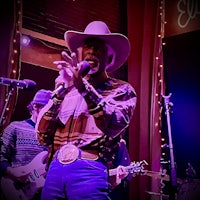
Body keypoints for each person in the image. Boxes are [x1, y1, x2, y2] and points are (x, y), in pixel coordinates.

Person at [36, 20, 137, 200]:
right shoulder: (67, 89)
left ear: (110, 57)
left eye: (98, 48)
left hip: (90, 169)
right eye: (88, 47)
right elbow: (42, 136)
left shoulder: (121, 89)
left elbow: (114, 124)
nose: (92, 51)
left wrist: (83, 88)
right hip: (55, 169)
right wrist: (60, 92)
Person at [0, 89, 52, 200]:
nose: (51, 114)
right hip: (15, 188)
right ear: (35, 106)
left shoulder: (53, 135)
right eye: (48, 109)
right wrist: (12, 172)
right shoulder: (15, 127)